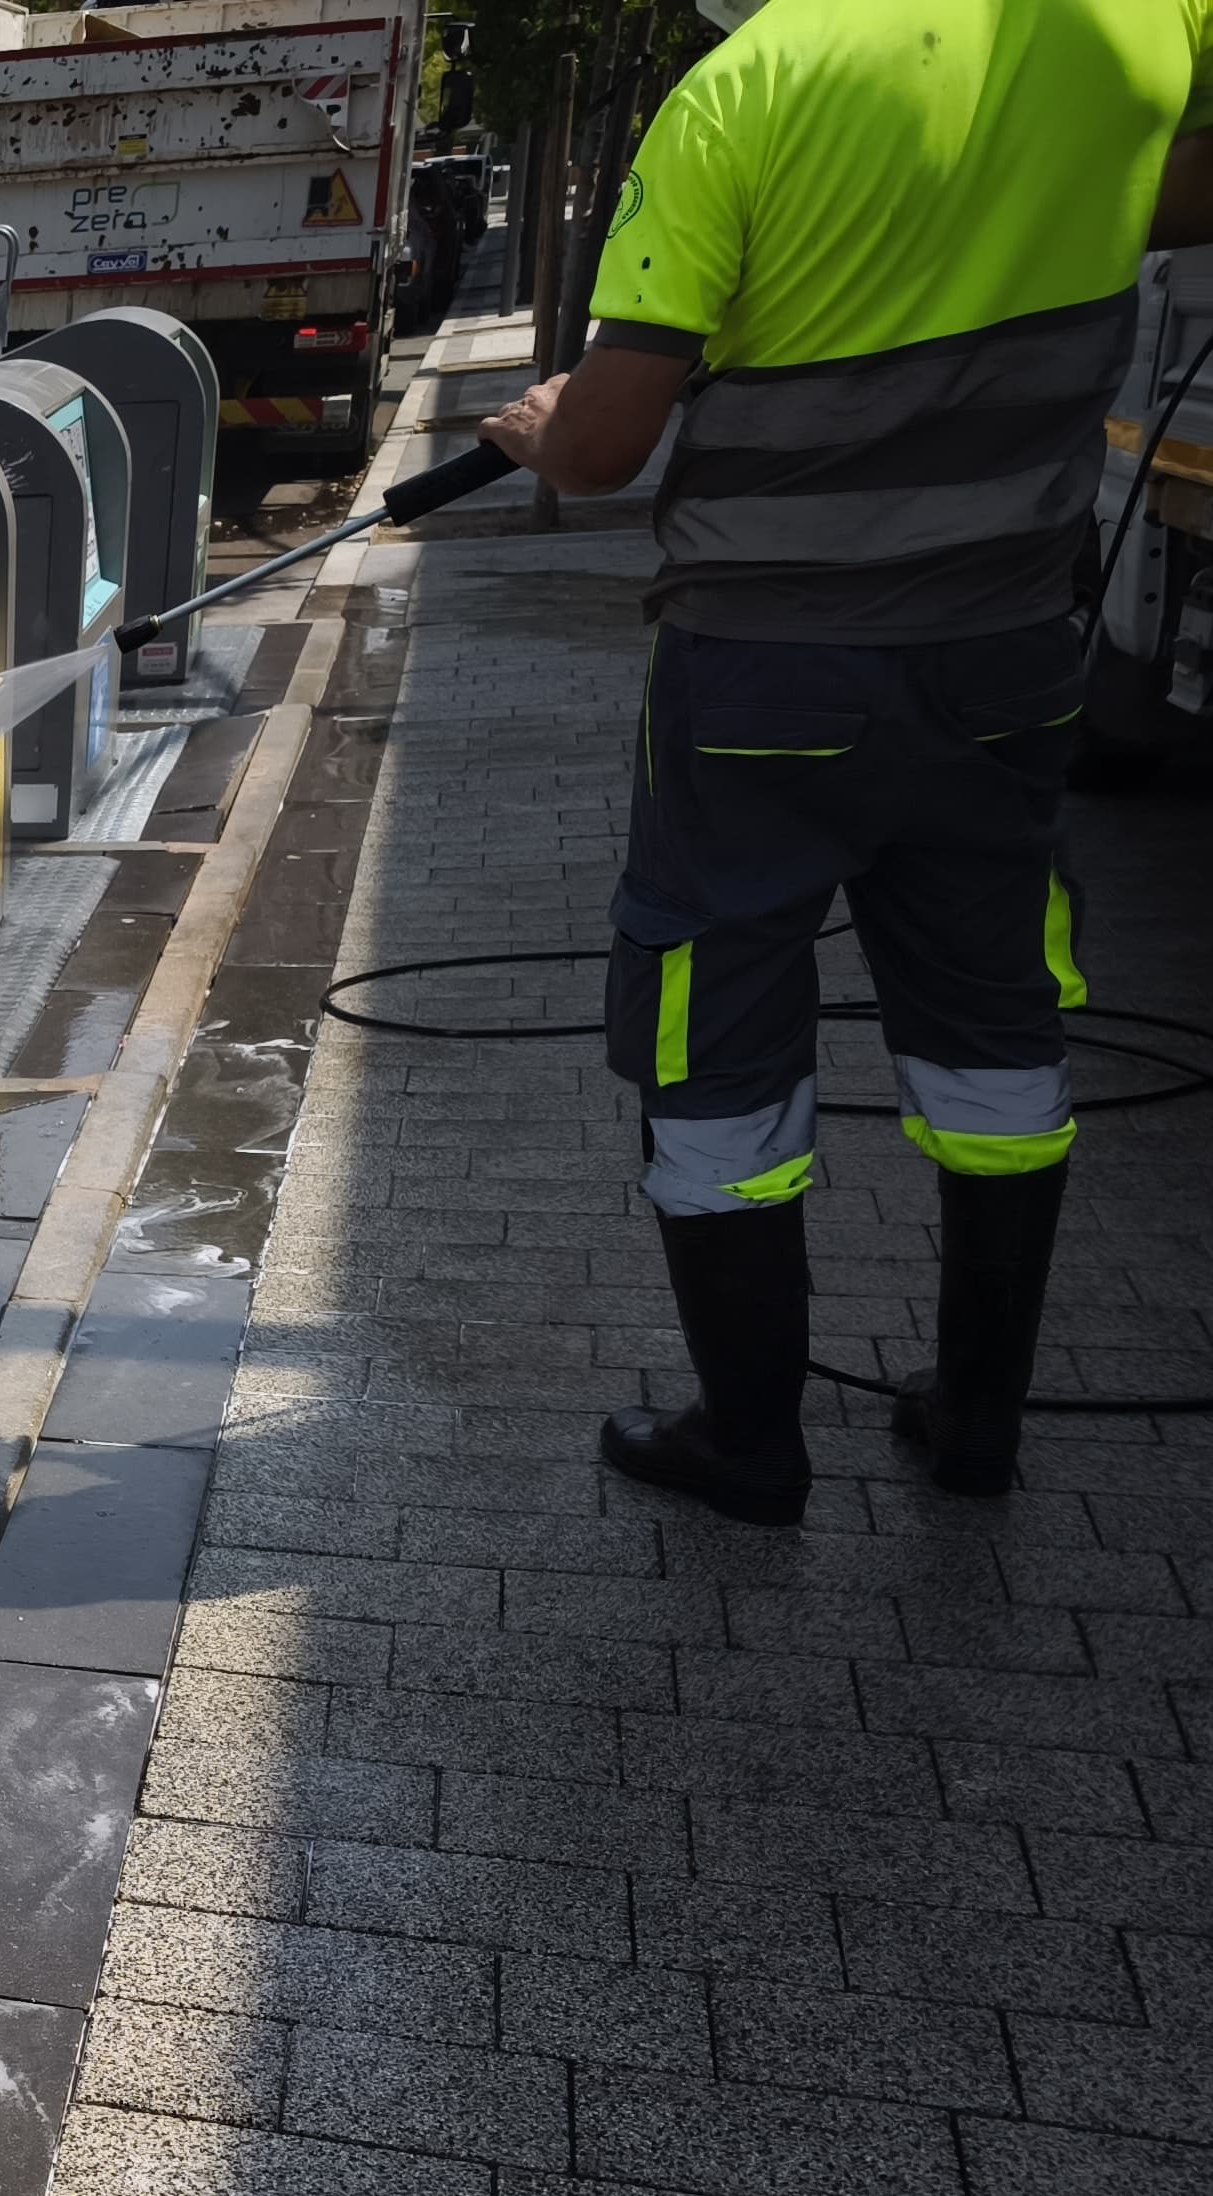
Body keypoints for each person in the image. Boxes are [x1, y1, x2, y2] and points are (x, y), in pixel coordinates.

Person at [478, 0, 1213, 1523]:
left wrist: (547, 426)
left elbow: (606, 449)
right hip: (1007, 656)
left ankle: (750, 1444)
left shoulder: (744, 89)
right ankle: (979, 1422)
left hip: (767, 669)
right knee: (994, 1018)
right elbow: (1173, 194)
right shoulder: (1141, 31)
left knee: (716, 1021)